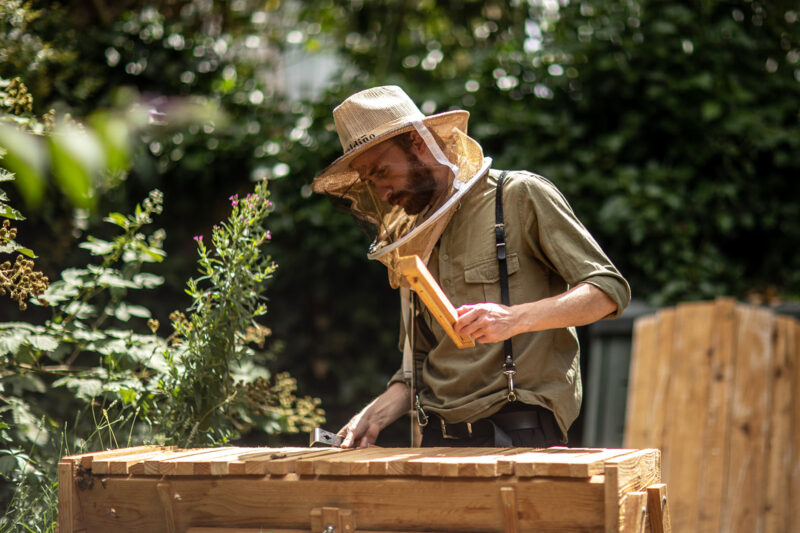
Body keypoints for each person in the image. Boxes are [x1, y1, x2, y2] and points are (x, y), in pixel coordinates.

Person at [311, 85, 630, 448]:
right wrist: (375, 414)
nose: (382, 193)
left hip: (518, 430)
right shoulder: (412, 236)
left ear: (418, 142)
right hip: (434, 436)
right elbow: (418, 363)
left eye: (383, 171)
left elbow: (607, 290)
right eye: (370, 181)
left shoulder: (517, 196)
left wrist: (514, 318)